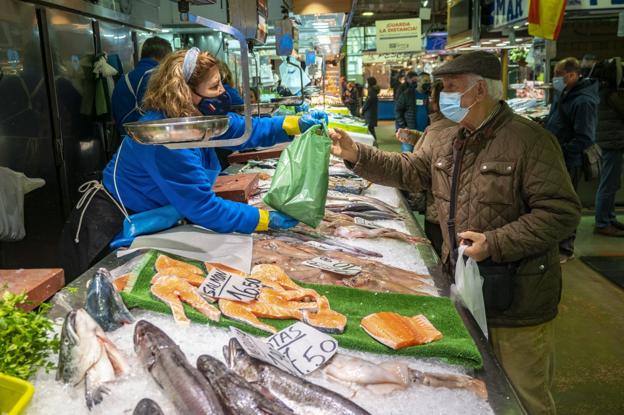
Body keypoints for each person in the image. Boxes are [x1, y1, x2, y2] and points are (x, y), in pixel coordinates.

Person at [328, 51, 581, 415]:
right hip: (463, 283)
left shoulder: (530, 141)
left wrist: (495, 242)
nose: (442, 95)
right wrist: (357, 155)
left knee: (524, 395)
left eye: (450, 88)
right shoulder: (450, 137)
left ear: (479, 91)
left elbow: (561, 213)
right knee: (479, 387)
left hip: (518, 297)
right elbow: (410, 172)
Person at [59, 48, 327, 279]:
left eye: (220, 83)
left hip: (160, 218)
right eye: (214, 87)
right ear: (184, 92)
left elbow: (246, 129)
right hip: (115, 225)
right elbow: (204, 208)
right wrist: (266, 220)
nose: (223, 92)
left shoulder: (197, 119)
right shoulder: (166, 137)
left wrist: (294, 124)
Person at [545, 57, 599, 262]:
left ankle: (565, 248)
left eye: (559, 75)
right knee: (554, 204)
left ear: (572, 74)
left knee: (567, 205)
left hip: (570, 161)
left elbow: (585, 137)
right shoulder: (563, 94)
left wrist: (563, 151)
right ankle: (555, 244)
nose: (555, 79)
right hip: (555, 158)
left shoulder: (584, 101)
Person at [396, 80, 456, 256]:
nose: (428, 100)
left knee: (441, 256)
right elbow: (439, 149)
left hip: (440, 214)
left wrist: (358, 154)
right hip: (440, 211)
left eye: (431, 97)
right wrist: (417, 138)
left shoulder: (445, 127)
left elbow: (413, 169)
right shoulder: (438, 127)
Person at [111, 36, 172, 135]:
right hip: (143, 138)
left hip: (125, 138)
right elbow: (158, 113)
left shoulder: (125, 78)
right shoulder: (154, 77)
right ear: (164, 58)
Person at [594, 58, 624, 236]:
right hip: (611, 143)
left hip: (610, 142)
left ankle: (609, 218)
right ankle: (603, 222)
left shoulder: (601, 90)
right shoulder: (611, 95)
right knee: (608, 184)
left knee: (611, 184)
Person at [395, 72, 431, 152]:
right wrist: (403, 126)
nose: (428, 83)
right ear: (418, 81)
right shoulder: (407, 94)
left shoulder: (430, 95)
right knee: (408, 156)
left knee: (423, 156)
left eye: (429, 81)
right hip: (410, 132)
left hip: (425, 133)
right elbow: (398, 110)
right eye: (425, 81)